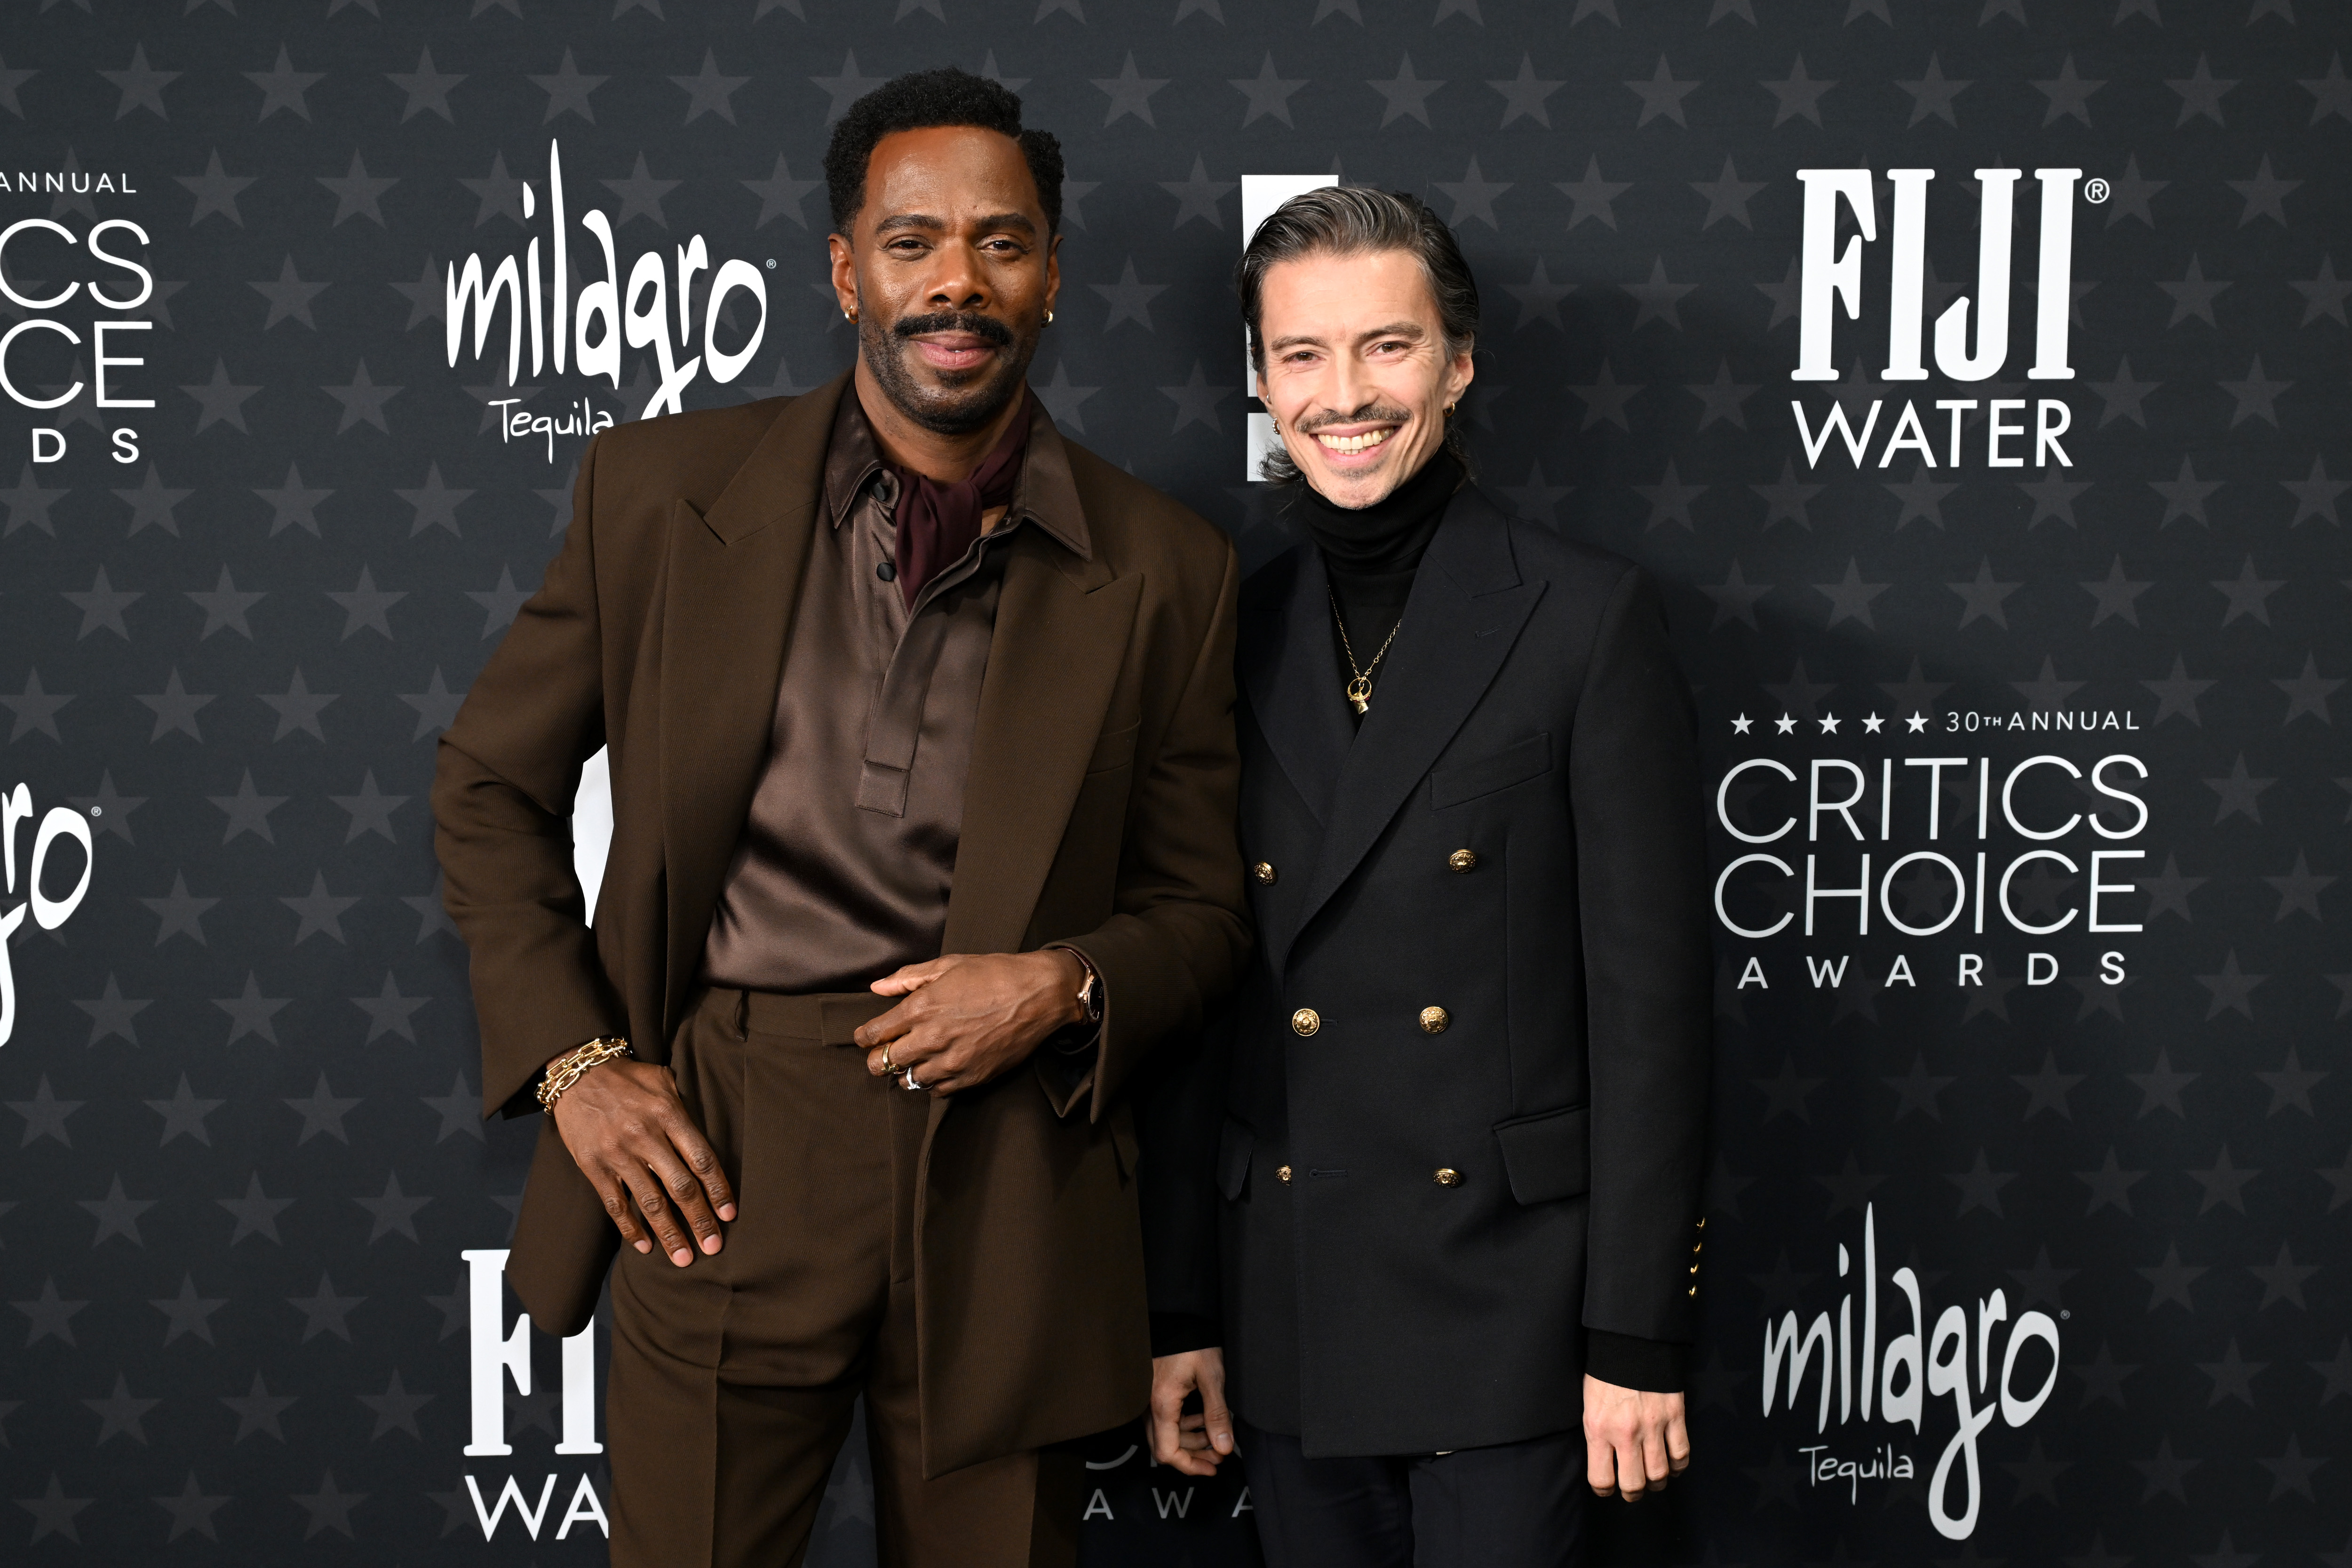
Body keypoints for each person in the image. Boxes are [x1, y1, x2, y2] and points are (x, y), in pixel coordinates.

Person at [430, 68, 1249, 1568]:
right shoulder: (662, 494)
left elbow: (1205, 914)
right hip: (727, 1149)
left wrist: (1066, 984)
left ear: (1053, 276)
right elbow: (488, 786)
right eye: (913, 239)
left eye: (1003, 243)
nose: (958, 280)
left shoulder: (1169, 569)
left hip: (1016, 1165)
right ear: (843, 267)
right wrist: (580, 1065)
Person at [1141, 187, 1713, 1568]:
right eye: (1302, 356)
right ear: (1265, 382)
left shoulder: (1583, 616)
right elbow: (1201, 988)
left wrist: (1636, 1333)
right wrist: (1180, 1312)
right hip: (1291, 1305)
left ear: (1459, 362)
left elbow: (1652, 1011)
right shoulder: (1233, 625)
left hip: (1513, 1313)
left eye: (1387, 348)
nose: (1346, 396)